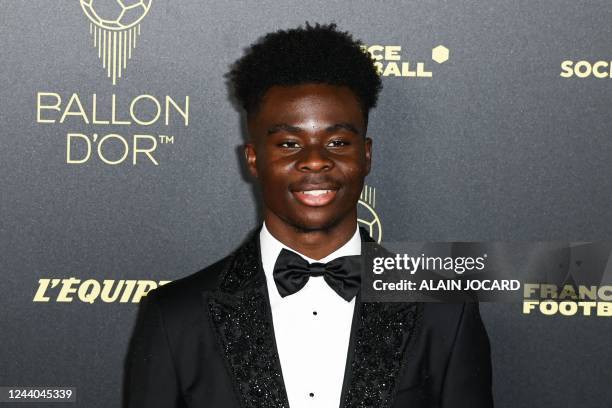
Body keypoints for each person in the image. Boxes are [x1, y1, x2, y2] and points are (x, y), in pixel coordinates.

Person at [125, 23, 493, 408]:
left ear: (365, 156)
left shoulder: (444, 312)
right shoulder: (175, 316)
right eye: (288, 143)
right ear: (254, 159)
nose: (315, 160)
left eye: (337, 142)